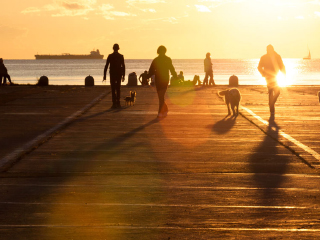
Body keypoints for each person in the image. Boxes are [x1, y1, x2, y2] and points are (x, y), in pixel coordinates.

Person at [148, 45, 177, 118]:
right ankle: (165, 109)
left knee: (161, 96)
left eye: (163, 51)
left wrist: (176, 77)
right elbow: (151, 70)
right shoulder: (157, 60)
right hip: (160, 79)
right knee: (161, 97)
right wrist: (147, 77)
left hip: (163, 79)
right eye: (161, 51)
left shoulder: (165, 59)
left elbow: (171, 69)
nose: (162, 52)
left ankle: (160, 113)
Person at [258, 44, 286, 115]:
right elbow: (259, 67)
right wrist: (263, 73)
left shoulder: (277, 56)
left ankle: (271, 103)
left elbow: (281, 66)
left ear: (273, 49)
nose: (269, 51)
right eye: (267, 50)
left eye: (270, 49)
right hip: (268, 77)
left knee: (277, 92)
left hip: (275, 76)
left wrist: (284, 74)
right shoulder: (264, 57)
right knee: (270, 92)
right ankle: (272, 109)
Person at [103, 44, 125, 109]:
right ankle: (118, 102)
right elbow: (123, 66)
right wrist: (123, 75)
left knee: (113, 88)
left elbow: (106, 66)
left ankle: (114, 103)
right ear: (118, 48)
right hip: (119, 74)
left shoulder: (110, 56)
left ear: (113, 48)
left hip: (112, 74)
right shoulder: (121, 56)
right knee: (118, 88)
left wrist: (104, 75)